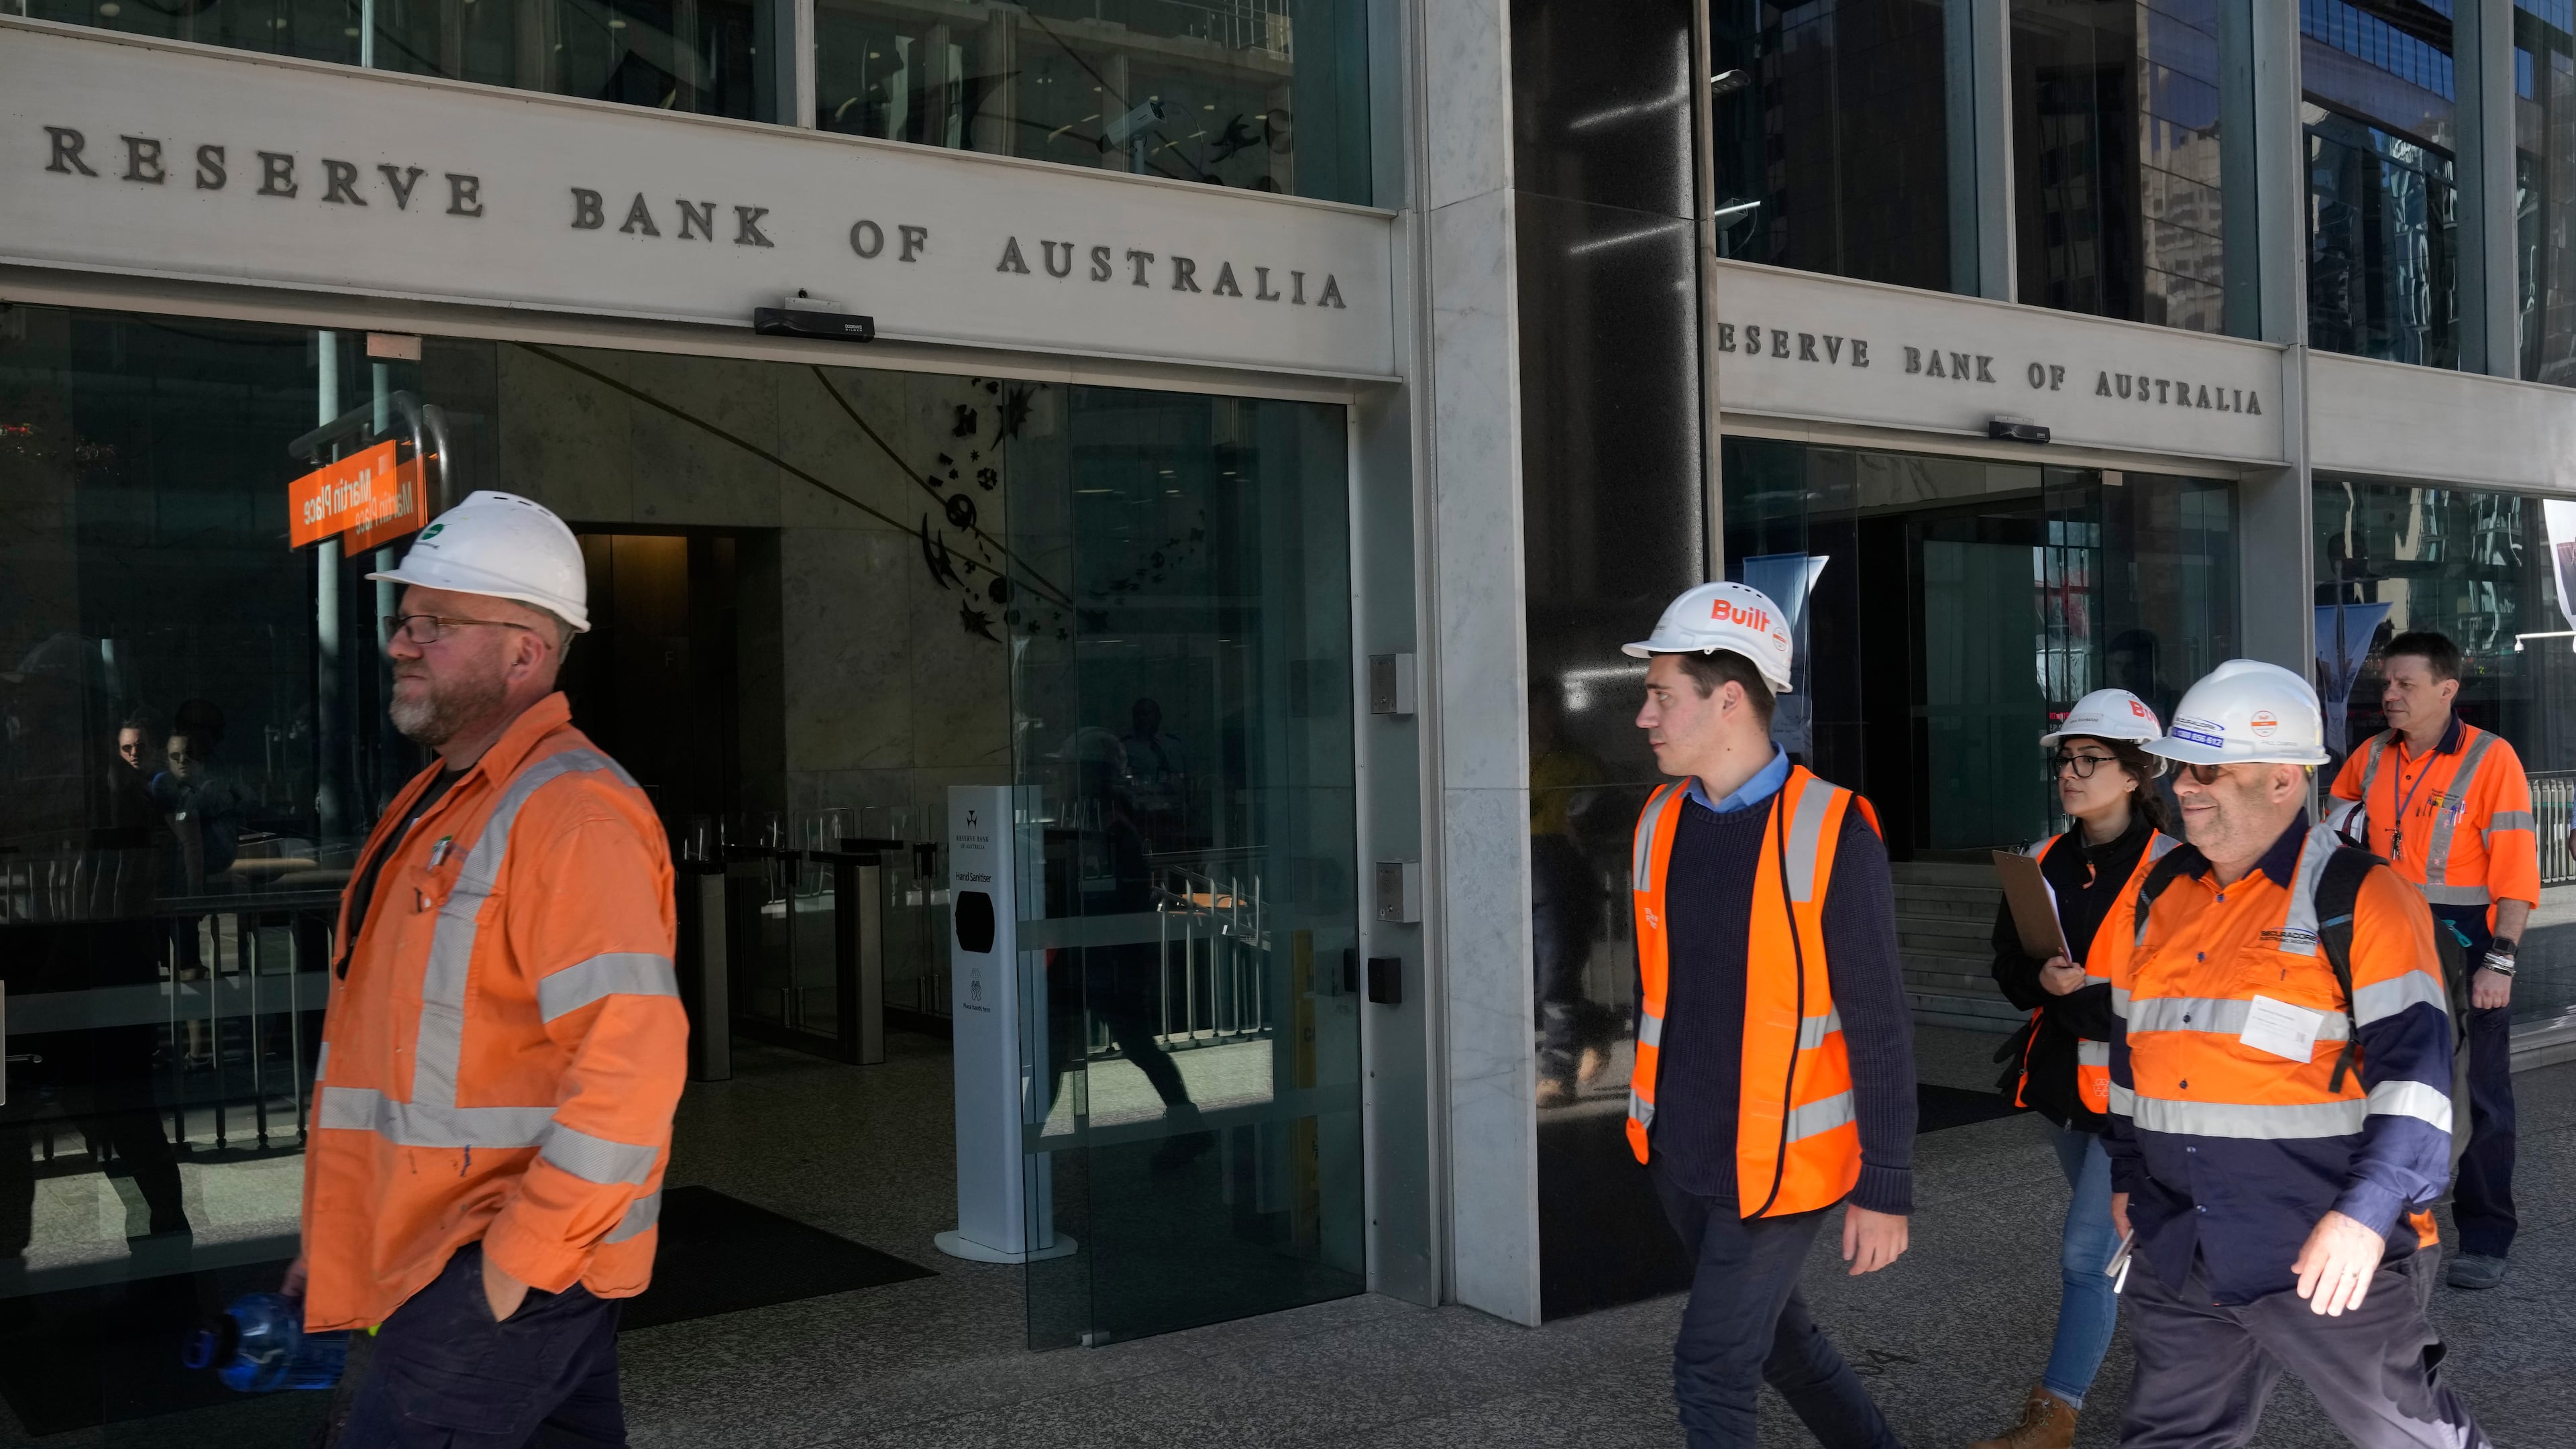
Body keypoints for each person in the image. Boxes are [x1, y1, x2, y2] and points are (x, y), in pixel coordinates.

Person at [290, 491, 686, 1446]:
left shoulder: (570, 816)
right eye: (403, 619)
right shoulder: (442, 801)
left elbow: (633, 1070)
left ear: (525, 651)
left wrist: (512, 1270)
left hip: (503, 1266)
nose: (401, 643)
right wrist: (336, 1240)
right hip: (456, 1260)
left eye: (436, 623)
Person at [2108, 660, 2484, 1448]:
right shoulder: (2158, 894)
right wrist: (2128, 1178)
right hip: (2181, 1240)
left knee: (2414, 1439)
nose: (2183, 786)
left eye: (2209, 769)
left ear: (2284, 781)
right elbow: (2128, 1054)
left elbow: (2417, 1084)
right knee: (2170, 1439)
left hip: (2322, 1242)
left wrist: (2362, 1217)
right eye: (2181, 767)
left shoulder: (2362, 897)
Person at [1620, 582, 1915, 1449]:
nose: (1645, 717)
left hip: (1780, 1168)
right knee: (1784, 1345)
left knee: (1710, 1370)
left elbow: (1878, 1024)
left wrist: (1885, 1186)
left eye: (1661, 696)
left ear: (1731, 701)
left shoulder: (1834, 832)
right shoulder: (1659, 820)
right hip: (1681, 1154)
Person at [1970, 689, 2175, 1449]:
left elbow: (2177, 997)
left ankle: (2055, 1414)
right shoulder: (2045, 860)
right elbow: (2009, 966)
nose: (2072, 773)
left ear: (2134, 774)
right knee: (2130, 1239)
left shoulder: (2175, 870)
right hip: (2062, 1086)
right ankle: (2190, 1343)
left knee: (2087, 1253)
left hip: (2138, 1094)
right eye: (2067, 760)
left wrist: (2077, 1000)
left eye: (2092, 760)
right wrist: (2043, 986)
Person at [2325, 630, 2536, 1291]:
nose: (2389, 694)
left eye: (2404, 685)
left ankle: (2486, 1234)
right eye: (2385, 683)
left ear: (2447, 690)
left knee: (2481, 1093)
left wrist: (2499, 960)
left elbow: (2517, 873)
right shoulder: (2368, 758)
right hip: (2386, 943)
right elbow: (2334, 846)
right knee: (2383, 1083)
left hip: (2469, 943)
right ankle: (2386, 1219)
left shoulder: (2491, 760)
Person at [1531, 682, 1608, 1108]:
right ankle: (1597, 1026)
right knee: (1536, 981)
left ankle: (1556, 1075)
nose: (1543, 720)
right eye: (1535, 710)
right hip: (1512, 873)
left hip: (1562, 875)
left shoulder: (1580, 765)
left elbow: (1599, 818)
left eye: (1549, 711)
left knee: (1556, 977)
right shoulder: (1506, 759)